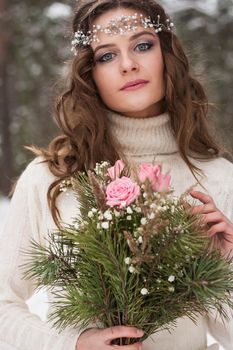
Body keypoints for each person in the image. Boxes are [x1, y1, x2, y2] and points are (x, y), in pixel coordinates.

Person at [0, 1, 233, 349]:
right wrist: (73, 344)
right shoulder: (53, 178)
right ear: (88, 72)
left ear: (167, 53)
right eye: (106, 56)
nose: (128, 65)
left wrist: (224, 265)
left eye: (142, 45)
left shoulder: (217, 178)